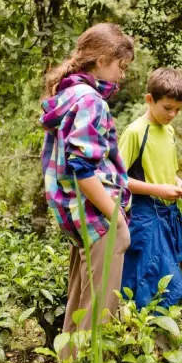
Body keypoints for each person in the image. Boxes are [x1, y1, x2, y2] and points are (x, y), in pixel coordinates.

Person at [39, 23, 134, 337]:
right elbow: (82, 170)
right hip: (98, 218)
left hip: (80, 219)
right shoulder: (91, 101)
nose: (123, 75)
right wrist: (116, 218)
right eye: (121, 66)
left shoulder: (68, 94)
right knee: (98, 321)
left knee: (80, 312)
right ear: (103, 59)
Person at [119, 68, 182, 310]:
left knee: (170, 276)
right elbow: (117, 179)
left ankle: (158, 341)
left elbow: (165, 171)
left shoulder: (169, 130)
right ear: (150, 100)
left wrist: (178, 183)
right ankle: (147, 340)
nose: (172, 114)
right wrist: (158, 189)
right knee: (154, 281)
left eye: (178, 109)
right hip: (144, 215)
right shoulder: (135, 132)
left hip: (168, 213)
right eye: (167, 108)